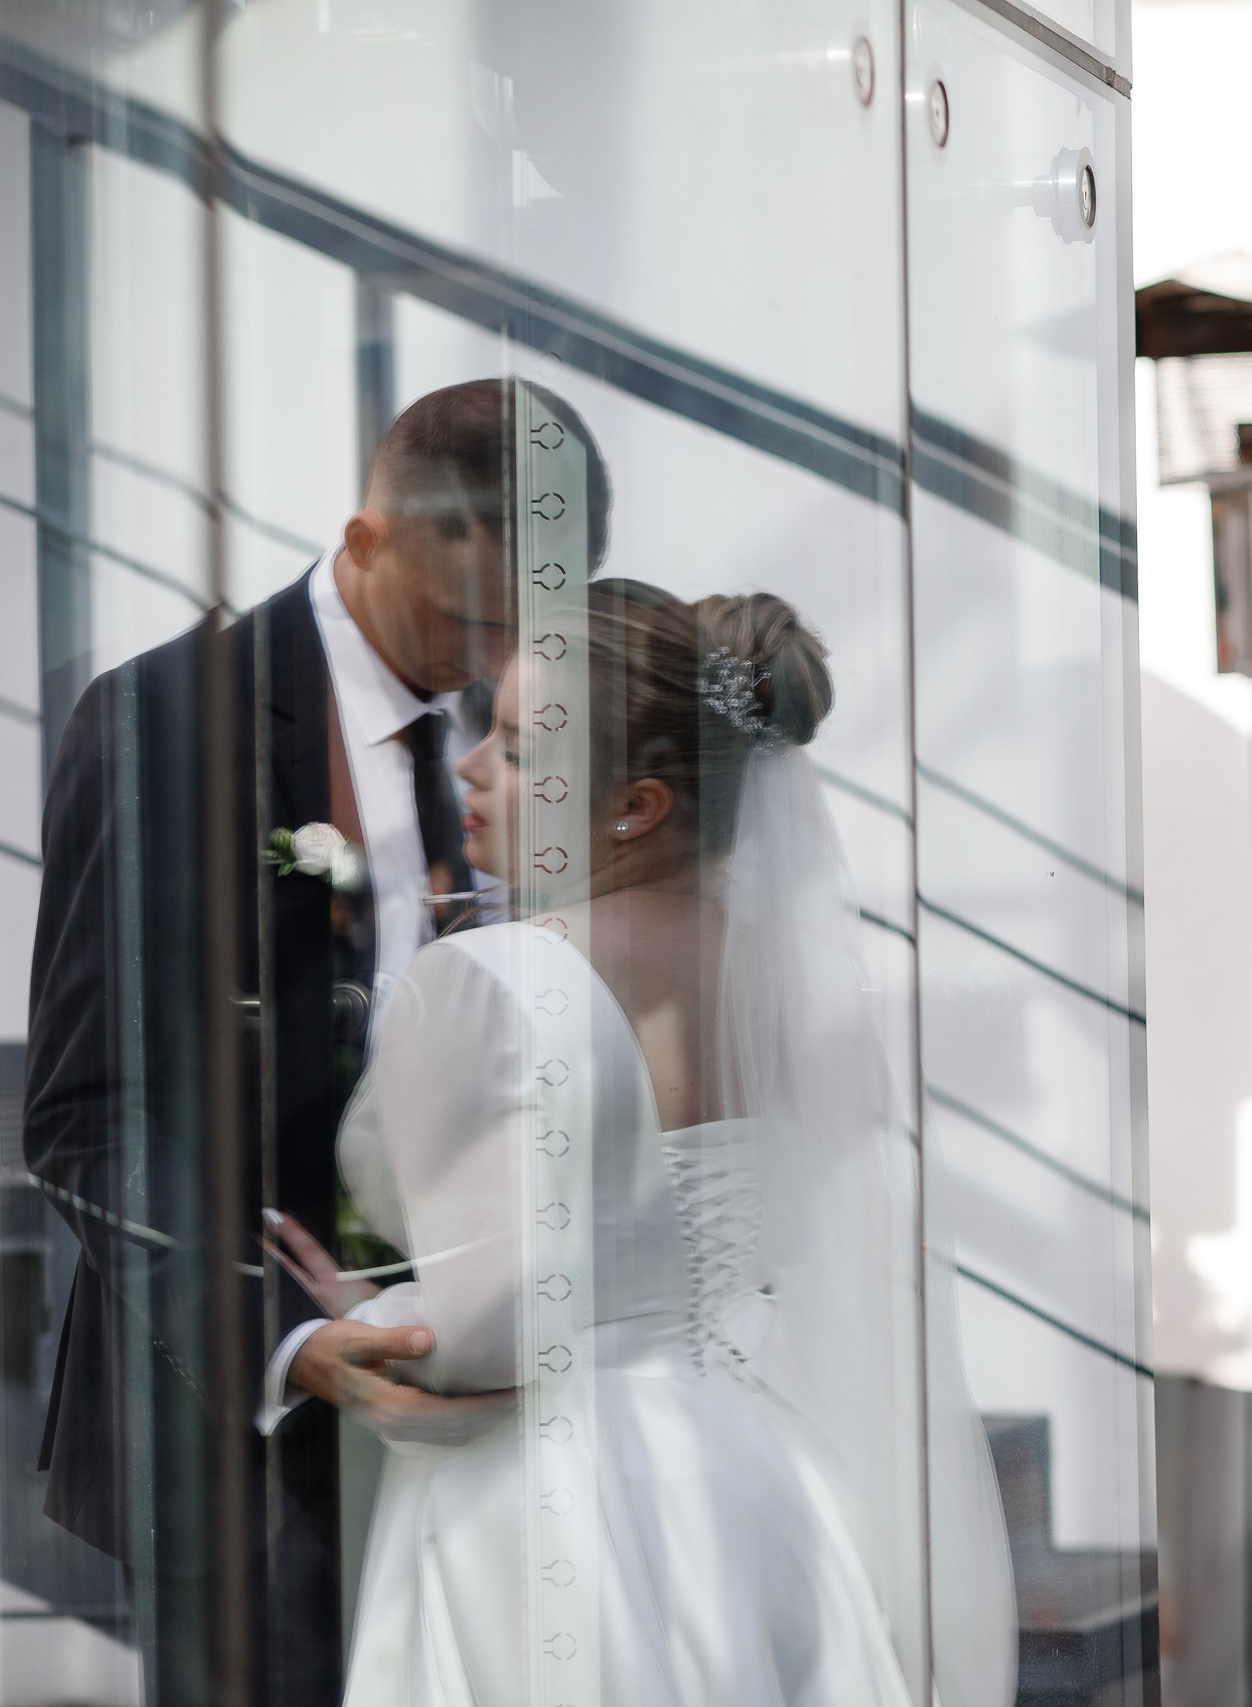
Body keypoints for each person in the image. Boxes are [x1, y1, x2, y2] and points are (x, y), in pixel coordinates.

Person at [23, 378, 605, 1702]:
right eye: (468, 619)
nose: (490, 659)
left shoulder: (534, 728)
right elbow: (82, 1108)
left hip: (489, 1394)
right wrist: (284, 1335)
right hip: (246, 1419)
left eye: (526, 626)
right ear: (365, 539)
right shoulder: (163, 723)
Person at [261, 584, 939, 1705]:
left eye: (522, 750)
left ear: (636, 805)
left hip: (549, 1502)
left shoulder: (487, 977)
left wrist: (355, 1321)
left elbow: (485, 1340)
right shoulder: (789, 978)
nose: (469, 765)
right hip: (746, 1472)